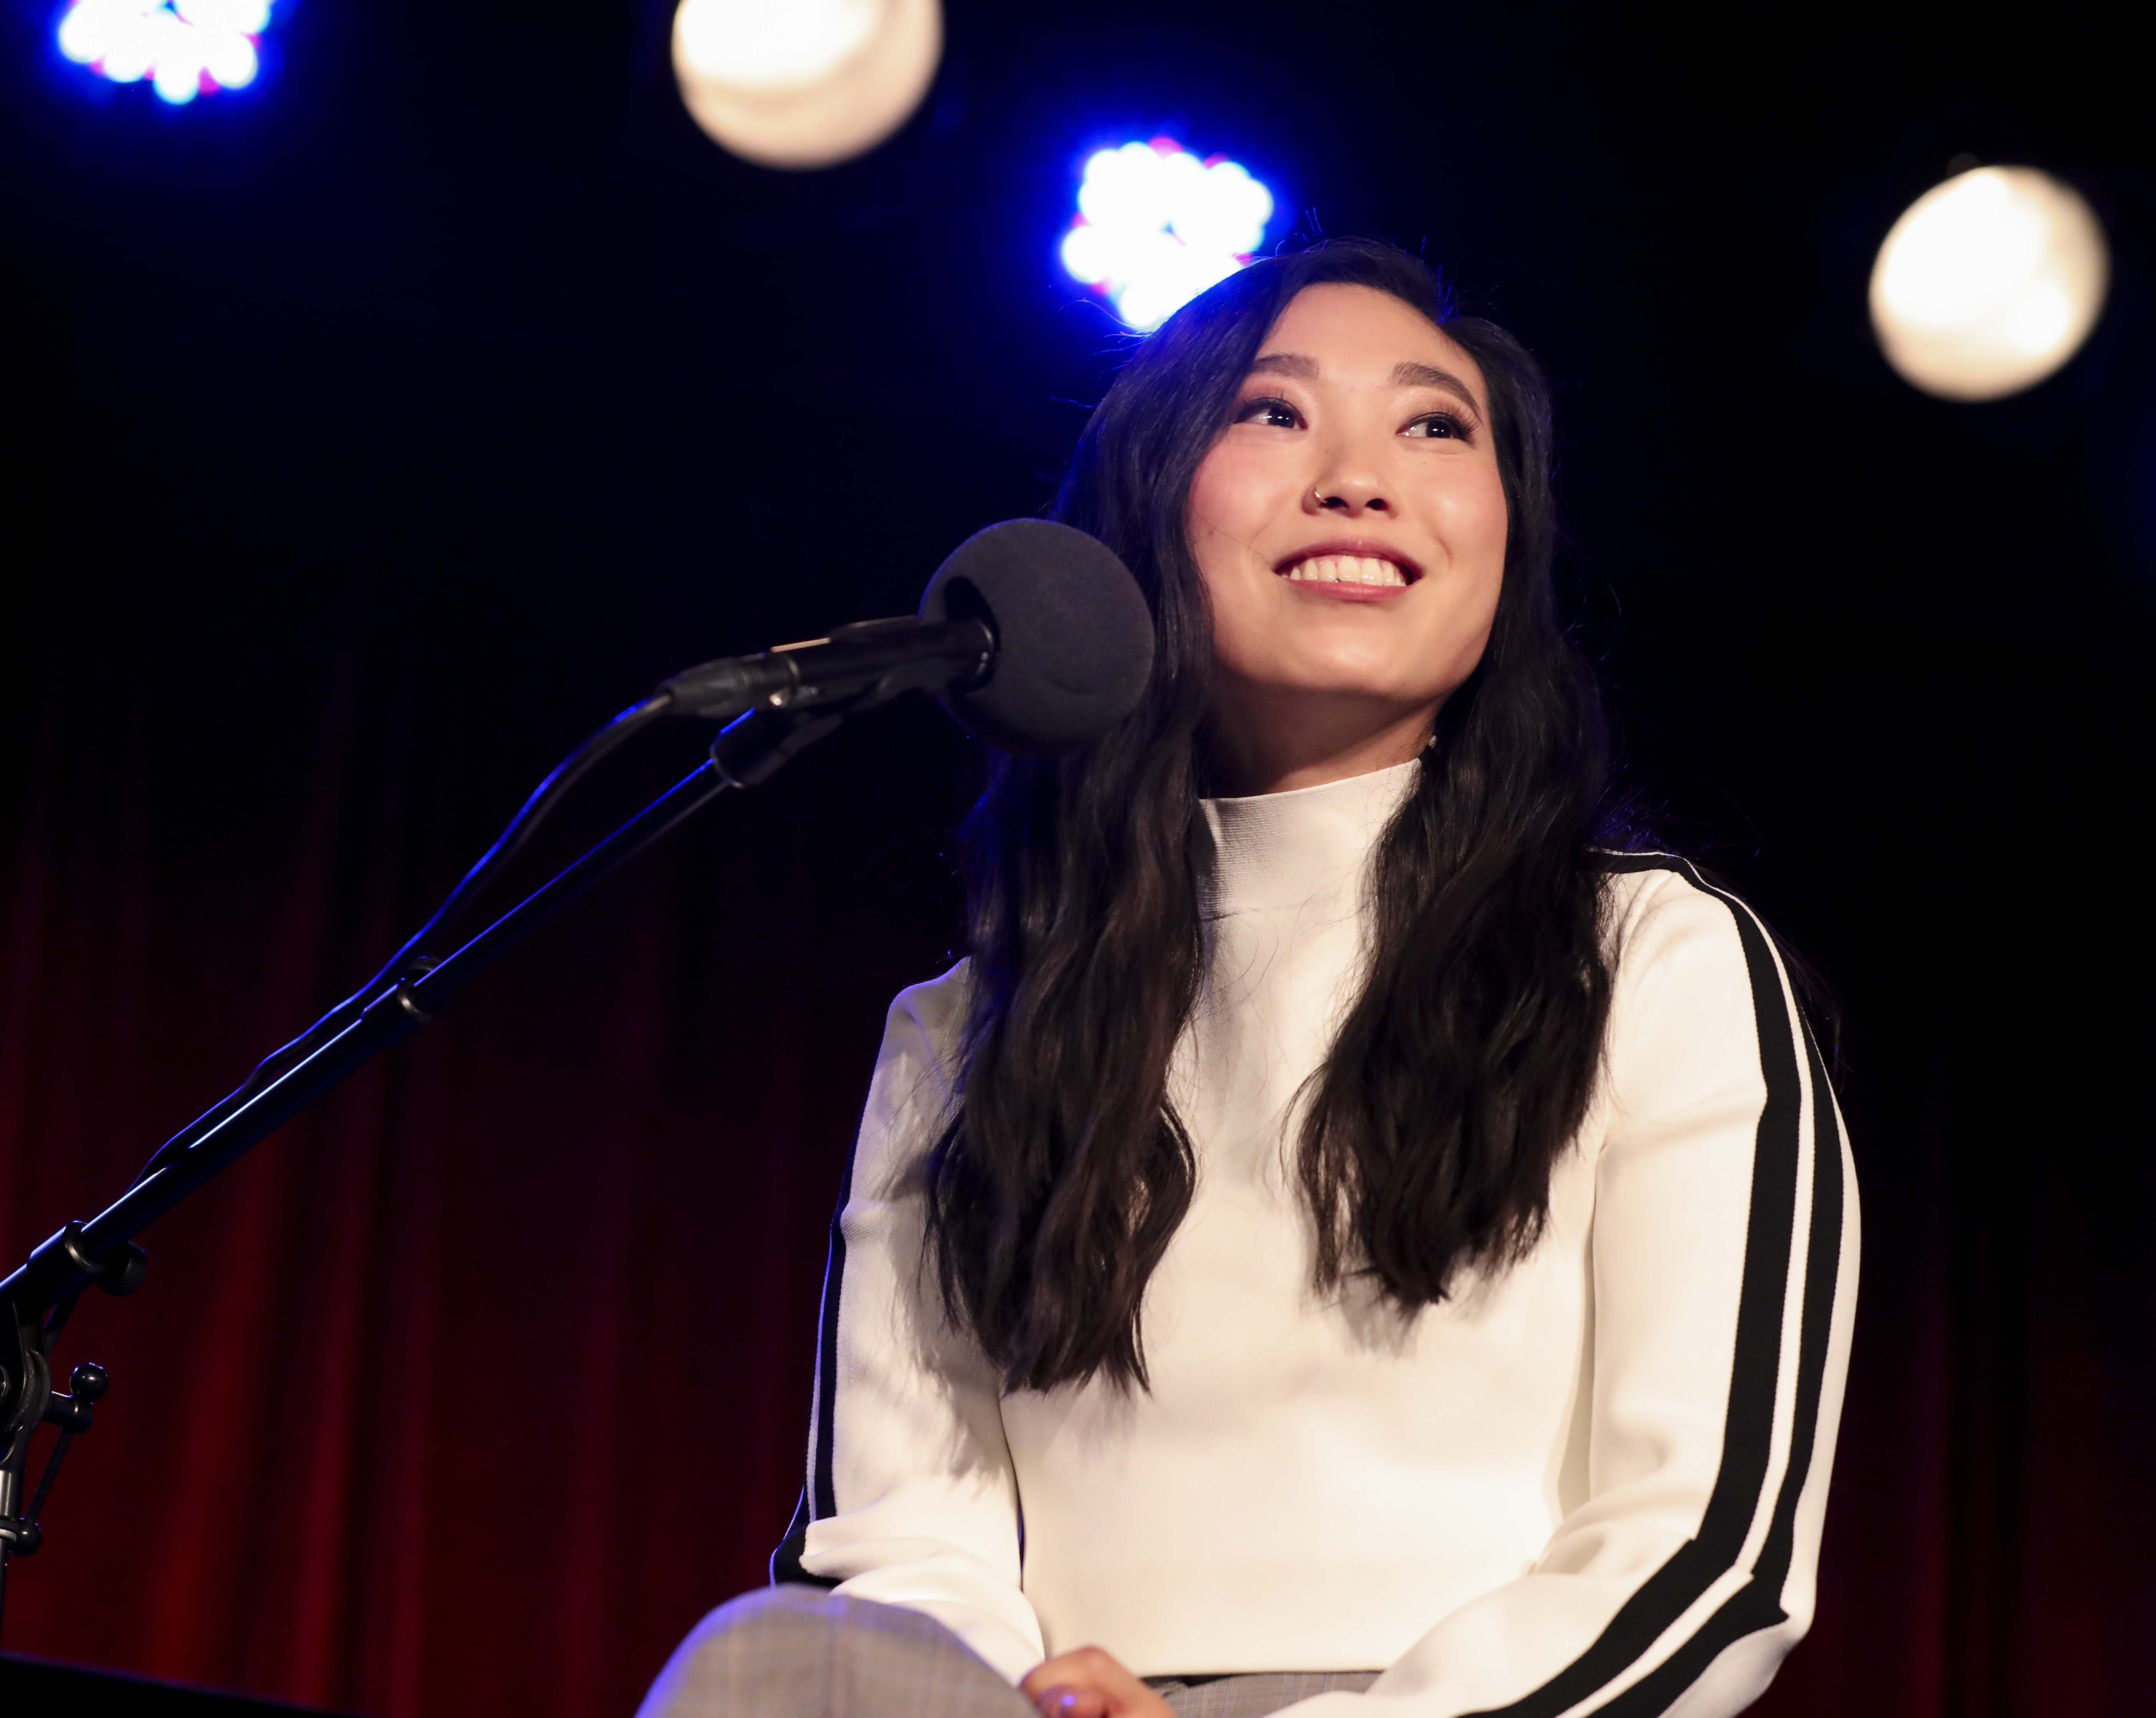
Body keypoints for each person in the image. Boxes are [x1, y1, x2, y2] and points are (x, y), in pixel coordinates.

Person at [639, 238, 1858, 1718]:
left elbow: (1709, 1554)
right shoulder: (966, 1027)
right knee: (763, 1674)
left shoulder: (1658, 961)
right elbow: (900, 1540)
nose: (1359, 475)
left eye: (1434, 426)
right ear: (1145, 518)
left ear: (1505, 539)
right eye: (1274, 413)